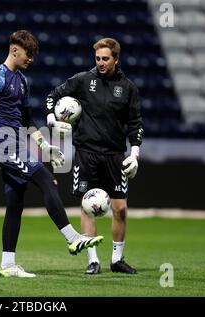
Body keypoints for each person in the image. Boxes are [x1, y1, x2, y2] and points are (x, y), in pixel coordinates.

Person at [0, 30, 104, 278]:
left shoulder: (23, 81)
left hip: (20, 146)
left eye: (33, 54)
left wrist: (44, 145)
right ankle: (72, 238)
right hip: (4, 147)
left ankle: (7, 265)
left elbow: (25, 119)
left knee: (15, 205)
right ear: (14, 50)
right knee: (46, 180)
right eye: (28, 54)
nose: (31, 59)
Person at [45, 38, 143, 275]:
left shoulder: (128, 88)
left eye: (105, 59)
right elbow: (52, 96)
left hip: (115, 155)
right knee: (88, 207)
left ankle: (117, 259)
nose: (100, 63)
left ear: (116, 59)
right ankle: (93, 260)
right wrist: (51, 118)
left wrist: (135, 152)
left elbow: (134, 123)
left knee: (120, 209)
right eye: (97, 58)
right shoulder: (82, 80)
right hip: (86, 153)